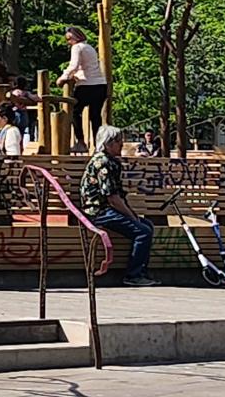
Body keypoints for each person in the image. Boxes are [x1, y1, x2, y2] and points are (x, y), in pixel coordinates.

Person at [80, 125, 158, 286]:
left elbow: (118, 195)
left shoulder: (111, 162)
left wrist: (132, 214)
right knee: (143, 232)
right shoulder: (102, 162)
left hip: (108, 209)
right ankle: (133, 275)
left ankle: (141, 272)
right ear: (107, 143)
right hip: (99, 211)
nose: (122, 144)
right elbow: (112, 198)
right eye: (118, 141)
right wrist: (131, 216)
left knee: (147, 225)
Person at [59, 26, 108, 150]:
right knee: (95, 116)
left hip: (87, 85)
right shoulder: (89, 47)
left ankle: (81, 141)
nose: (68, 42)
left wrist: (63, 77)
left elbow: (73, 65)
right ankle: (99, 145)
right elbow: (86, 67)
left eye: (69, 39)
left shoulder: (77, 47)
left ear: (75, 38)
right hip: (100, 85)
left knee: (74, 111)